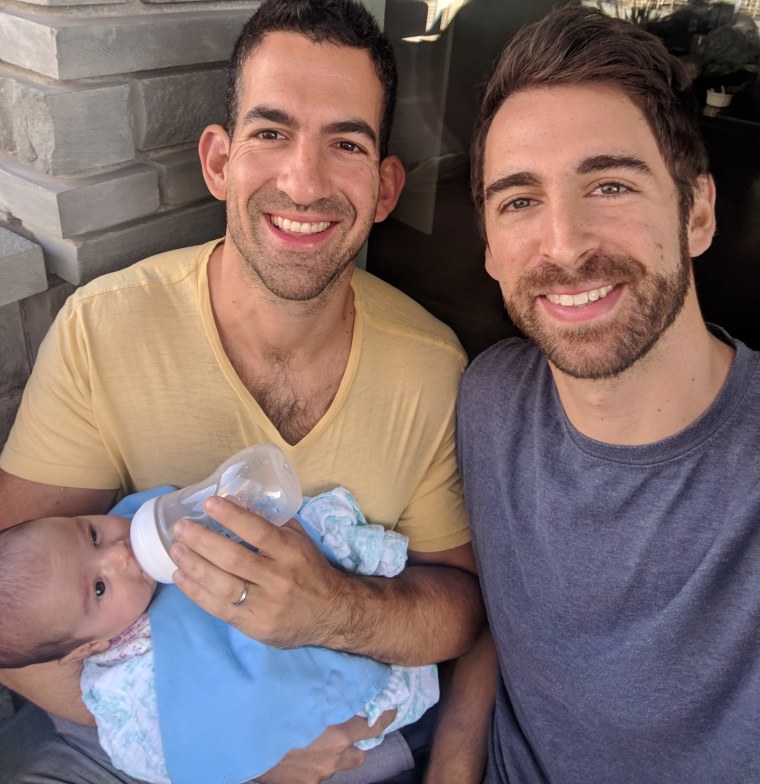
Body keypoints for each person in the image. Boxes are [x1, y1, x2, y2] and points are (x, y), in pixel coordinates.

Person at [0, 0, 492, 781]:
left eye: (346, 143)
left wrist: (332, 607)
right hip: (138, 734)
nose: (304, 180)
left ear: (386, 186)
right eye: (271, 133)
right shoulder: (104, 330)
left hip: (344, 735)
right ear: (219, 161)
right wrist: (227, 753)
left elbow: (461, 609)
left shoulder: (430, 369)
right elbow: (15, 615)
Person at [458, 5, 760, 783]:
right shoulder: (487, 406)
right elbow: (497, 628)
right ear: (490, 250)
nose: (564, 245)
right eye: (520, 201)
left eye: (611, 184)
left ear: (697, 211)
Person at [0, 487, 439, 784]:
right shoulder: (124, 700)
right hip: (301, 703)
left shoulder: (145, 523)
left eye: (92, 534)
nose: (117, 552)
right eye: (99, 588)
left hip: (337, 610)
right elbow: (189, 755)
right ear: (91, 647)